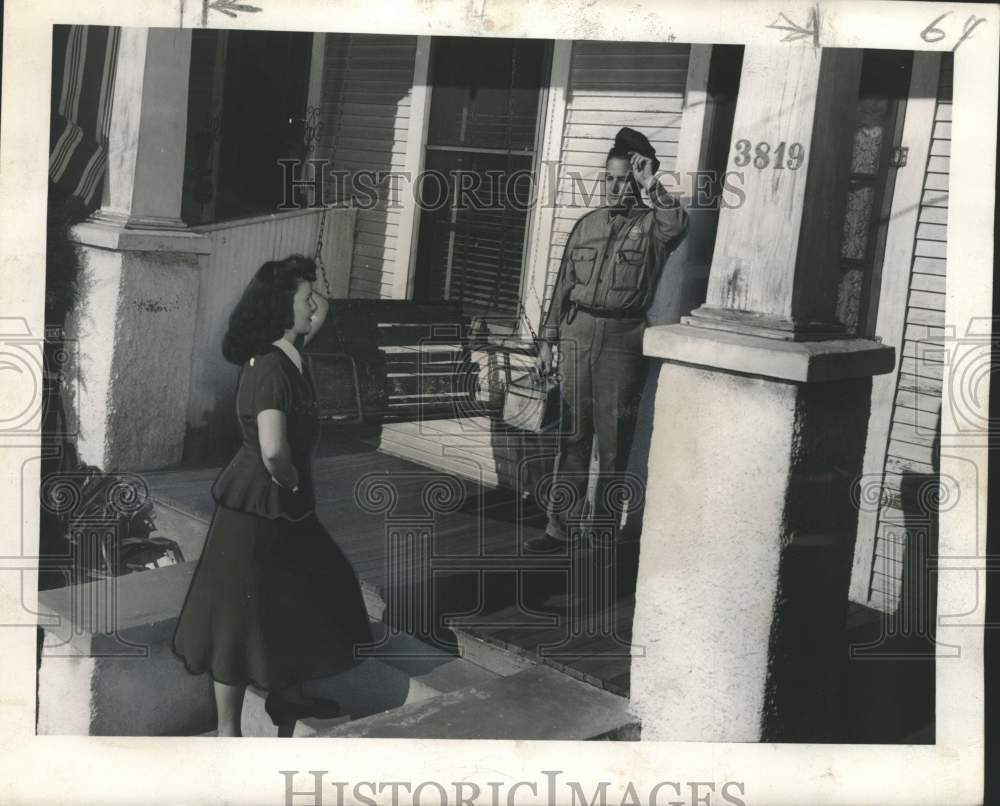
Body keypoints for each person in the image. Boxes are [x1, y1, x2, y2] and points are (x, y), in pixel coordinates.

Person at [172, 254, 372, 736]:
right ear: (282, 308)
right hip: (259, 509)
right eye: (304, 299)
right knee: (237, 621)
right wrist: (291, 482)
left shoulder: (283, 354)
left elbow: (311, 322)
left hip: (283, 509)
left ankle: (288, 698)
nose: (314, 307)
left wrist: (310, 304)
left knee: (306, 591)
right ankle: (228, 732)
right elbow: (273, 449)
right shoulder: (272, 370)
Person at [525, 129, 688, 553]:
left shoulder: (653, 225)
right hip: (579, 334)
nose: (614, 187)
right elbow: (562, 285)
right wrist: (547, 339)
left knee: (614, 443)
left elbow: (678, 225)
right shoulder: (587, 225)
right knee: (573, 438)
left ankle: (600, 537)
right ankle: (558, 528)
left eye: (623, 179)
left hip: (622, 338)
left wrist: (654, 186)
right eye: (608, 179)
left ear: (635, 179)